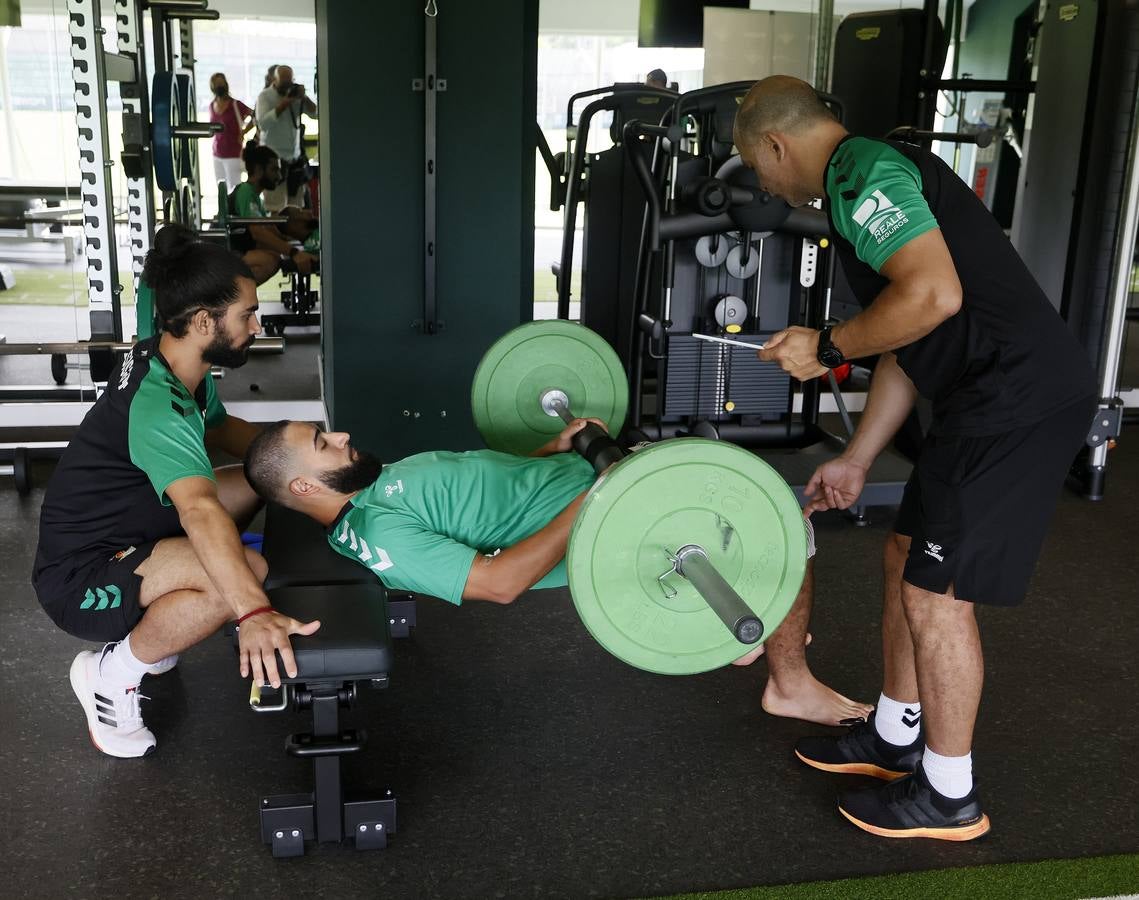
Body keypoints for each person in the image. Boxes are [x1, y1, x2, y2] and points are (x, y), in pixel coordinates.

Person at [733, 75, 1097, 840]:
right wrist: (859, 458)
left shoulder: (864, 172)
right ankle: (895, 735)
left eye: (756, 167)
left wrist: (825, 345)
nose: (762, 184)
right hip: (979, 395)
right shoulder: (852, 189)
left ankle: (948, 793)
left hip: (1015, 398)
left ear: (775, 144)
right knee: (905, 556)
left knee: (939, 594)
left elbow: (933, 297)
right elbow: (906, 333)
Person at [243, 421, 873, 727]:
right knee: (790, 525)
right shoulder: (380, 535)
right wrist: (601, 491)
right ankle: (789, 684)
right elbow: (500, 582)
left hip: (587, 484)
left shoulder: (372, 490)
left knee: (760, 508)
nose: (342, 434)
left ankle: (745, 631)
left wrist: (550, 449)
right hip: (610, 518)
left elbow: (479, 484)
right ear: (303, 485)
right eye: (324, 443)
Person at [32, 225, 318, 759]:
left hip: (134, 529)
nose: (257, 324)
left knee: (262, 475)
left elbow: (218, 427)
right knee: (240, 579)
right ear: (205, 321)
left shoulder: (177, 364)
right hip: (81, 575)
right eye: (247, 315)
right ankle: (110, 676)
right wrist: (254, 613)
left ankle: (155, 630)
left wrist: (299, 457)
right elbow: (202, 509)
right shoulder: (156, 402)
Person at [228, 143, 317, 284]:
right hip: (228, 253)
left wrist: (293, 242)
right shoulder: (245, 192)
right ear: (258, 170)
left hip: (238, 250)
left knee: (275, 254)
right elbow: (258, 232)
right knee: (270, 261)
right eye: (274, 170)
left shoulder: (257, 198)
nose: (279, 176)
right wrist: (294, 253)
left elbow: (268, 230)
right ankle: (230, 300)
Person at [255, 64, 318, 212]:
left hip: (294, 161)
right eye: (284, 82)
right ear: (274, 80)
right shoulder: (265, 96)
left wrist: (304, 98)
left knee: (297, 207)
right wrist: (284, 104)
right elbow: (263, 124)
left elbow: (316, 115)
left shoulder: (296, 96)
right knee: (275, 206)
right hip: (274, 161)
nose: (287, 86)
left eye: (289, 82)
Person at [207, 73, 255, 190]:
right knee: (221, 188)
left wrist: (244, 132)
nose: (219, 86)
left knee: (234, 187)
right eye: (217, 84)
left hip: (233, 153)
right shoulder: (211, 106)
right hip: (217, 153)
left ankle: (235, 208)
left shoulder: (236, 105)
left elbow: (255, 116)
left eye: (221, 83)